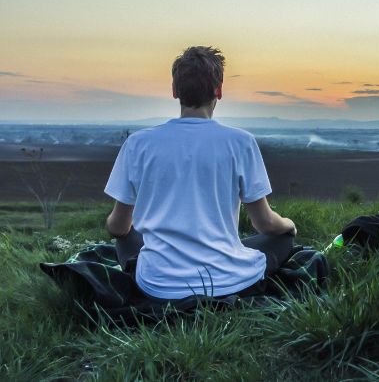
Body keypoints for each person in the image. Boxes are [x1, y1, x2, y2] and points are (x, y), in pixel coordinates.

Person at [104, 46, 297, 300]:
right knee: (282, 240)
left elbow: (117, 227)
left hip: (158, 285)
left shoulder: (138, 144)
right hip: (227, 281)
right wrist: (289, 225)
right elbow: (264, 224)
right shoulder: (241, 142)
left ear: (175, 91)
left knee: (126, 236)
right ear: (218, 90)